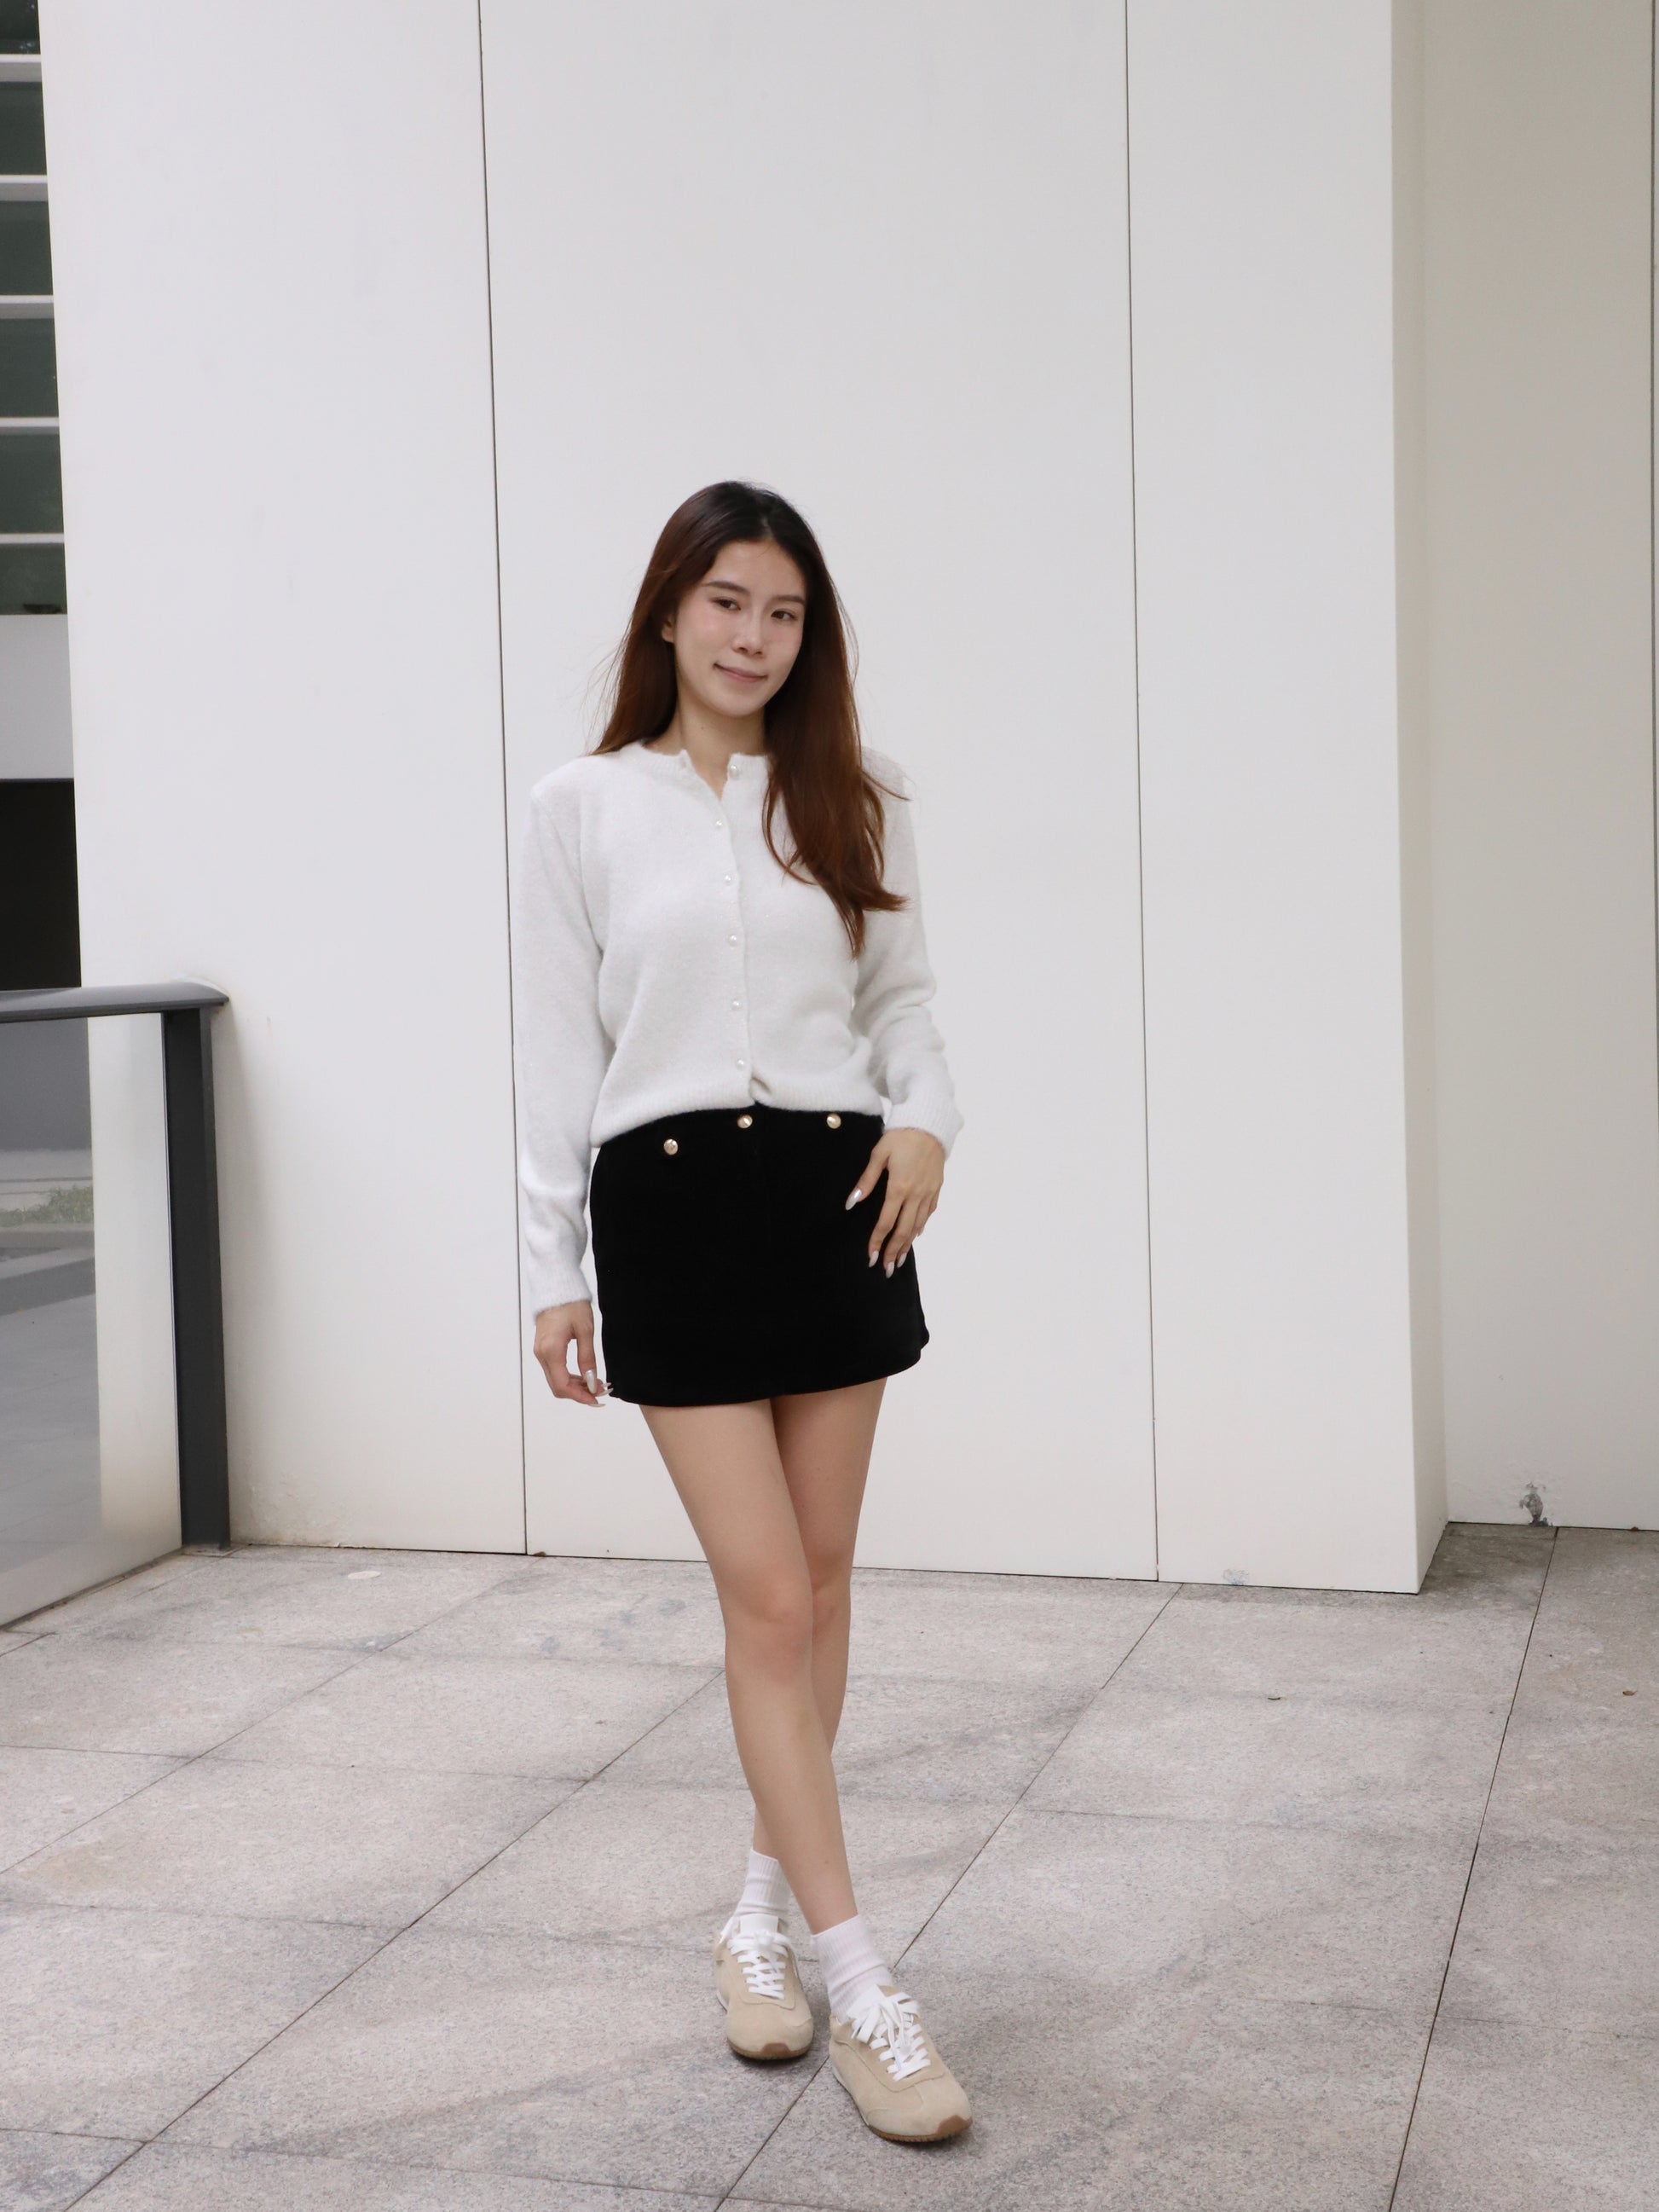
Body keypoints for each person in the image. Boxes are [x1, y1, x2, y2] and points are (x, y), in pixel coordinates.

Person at [512, 479, 970, 2146]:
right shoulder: (580, 806)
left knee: (820, 1585)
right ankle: (860, 1977)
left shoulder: (859, 793)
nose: (754, 638)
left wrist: (929, 1121)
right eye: (727, 603)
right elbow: (555, 1045)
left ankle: (759, 1918)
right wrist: (552, 1266)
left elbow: (903, 1004)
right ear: (669, 609)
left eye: (783, 613)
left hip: (840, 1200)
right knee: (767, 1592)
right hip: (672, 1205)